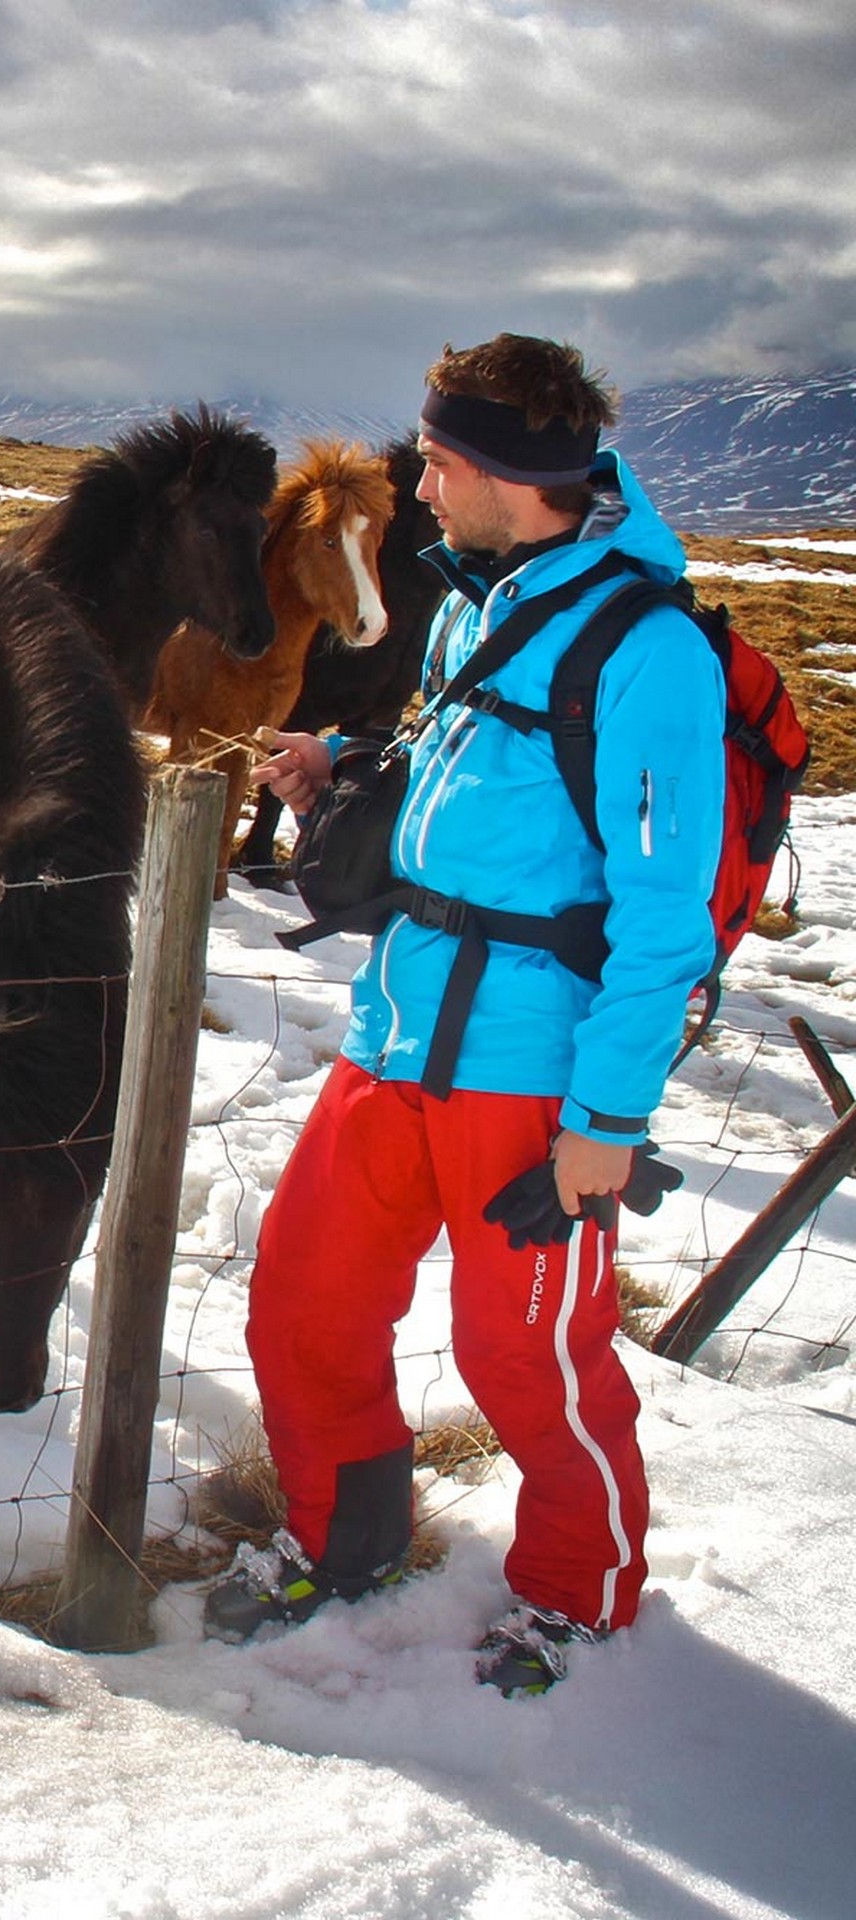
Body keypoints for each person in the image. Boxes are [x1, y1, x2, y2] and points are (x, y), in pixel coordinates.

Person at [205, 333, 725, 1695]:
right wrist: (348, 766)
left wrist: (607, 1119)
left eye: (437, 461)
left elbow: (665, 921)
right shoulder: (479, 600)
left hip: (532, 1072)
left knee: (528, 1358)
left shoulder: (648, 648)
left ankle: (580, 1595)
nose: (419, 485)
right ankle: (349, 1542)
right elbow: (473, 775)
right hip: (395, 1031)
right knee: (304, 1303)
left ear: (505, 470)